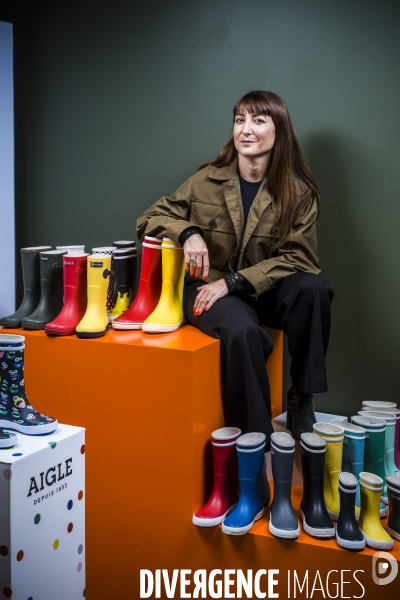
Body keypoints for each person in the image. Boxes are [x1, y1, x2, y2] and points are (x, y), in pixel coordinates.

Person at [137, 91, 333, 498]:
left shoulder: (299, 192)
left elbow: (301, 258)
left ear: (279, 132)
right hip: (209, 290)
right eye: (240, 119)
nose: (246, 129)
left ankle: (302, 400)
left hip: (258, 288)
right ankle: (258, 446)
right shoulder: (206, 179)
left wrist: (236, 282)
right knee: (242, 333)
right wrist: (187, 232)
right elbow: (150, 218)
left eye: (259, 121)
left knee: (313, 289)